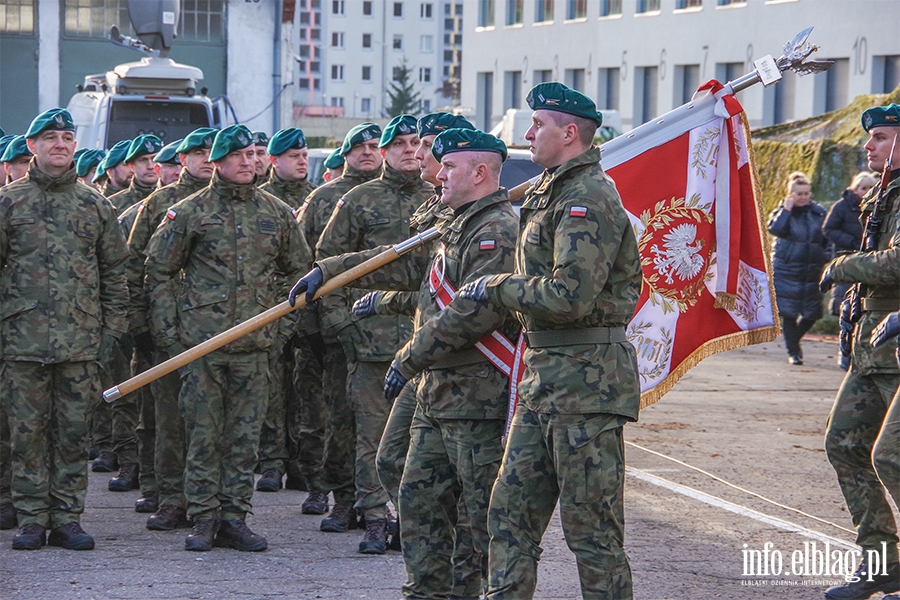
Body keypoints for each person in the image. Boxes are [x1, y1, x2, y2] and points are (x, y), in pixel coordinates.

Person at [456, 82, 642, 599]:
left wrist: (497, 286)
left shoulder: (589, 197)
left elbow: (569, 296)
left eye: (538, 124)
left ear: (570, 133)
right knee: (508, 519)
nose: (528, 133)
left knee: (593, 535)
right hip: (544, 382)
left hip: (586, 388)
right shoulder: (551, 189)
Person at [144, 124, 312, 552]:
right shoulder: (189, 212)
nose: (248, 162)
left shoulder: (275, 212)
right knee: (203, 432)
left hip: (255, 347)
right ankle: (202, 517)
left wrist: (280, 328)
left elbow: (300, 273)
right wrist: (169, 332)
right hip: (203, 345)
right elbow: (159, 271)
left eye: (254, 154)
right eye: (237, 156)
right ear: (216, 162)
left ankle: (235, 516)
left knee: (244, 436)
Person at [0, 108, 129, 551]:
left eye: (67, 137)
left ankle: (69, 517)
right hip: (20, 343)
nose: (60, 143)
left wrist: (109, 333)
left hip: (80, 343)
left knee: (74, 434)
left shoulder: (95, 203)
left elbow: (115, 274)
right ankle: (33, 517)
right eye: (50, 136)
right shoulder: (8, 202)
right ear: (32, 146)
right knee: (27, 434)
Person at [314, 114, 433, 554]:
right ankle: (374, 517)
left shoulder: (439, 197)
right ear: (384, 152)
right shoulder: (359, 199)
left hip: (426, 339)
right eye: (398, 142)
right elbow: (327, 264)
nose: (408, 149)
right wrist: (340, 325)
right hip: (372, 337)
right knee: (372, 436)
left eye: (414, 142)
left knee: (420, 437)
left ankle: (411, 516)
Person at [818, 104, 900, 600]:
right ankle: (882, 564)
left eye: (883, 138)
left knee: (893, 456)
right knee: (844, 445)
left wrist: (844, 265)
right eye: (870, 139)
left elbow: (896, 262)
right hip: (873, 345)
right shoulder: (883, 192)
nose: (869, 146)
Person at [124, 126, 217, 531]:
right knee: (169, 420)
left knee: (216, 422)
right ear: (183, 159)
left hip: (218, 332)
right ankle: (171, 498)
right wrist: (143, 327)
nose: (207, 158)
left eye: (214, 151)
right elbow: (134, 270)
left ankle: (212, 503)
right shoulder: (159, 204)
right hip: (169, 332)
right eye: (198, 152)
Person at [294, 122, 383, 521]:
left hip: (394, 327)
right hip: (339, 328)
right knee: (337, 418)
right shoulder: (326, 198)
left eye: (373, 146)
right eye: (359, 146)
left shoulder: (419, 196)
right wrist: (320, 326)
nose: (368, 152)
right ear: (345, 153)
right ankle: (335, 493)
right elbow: (309, 264)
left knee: (381, 426)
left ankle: (377, 503)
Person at [255, 127, 318, 492]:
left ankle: (301, 462)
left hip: (308, 310)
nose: (302, 162)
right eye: (294, 157)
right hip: (272, 309)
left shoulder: (316, 197)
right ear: (275, 161)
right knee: (273, 389)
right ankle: (271, 461)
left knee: (305, 393)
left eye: (305, 156)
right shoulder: (263, 201)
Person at [767, 172, 828, 365]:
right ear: (791, 194)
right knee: (789, 313)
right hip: (786, 269)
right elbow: (775, 230)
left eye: (806, 193)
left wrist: (826, 256)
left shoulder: (818, 212)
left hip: (811, 270)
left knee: (812, 314)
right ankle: (794, 352)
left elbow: (828, 236)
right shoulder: (782, 212)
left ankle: (793, 340)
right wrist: (787, 209)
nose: (803, 197)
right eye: (799, 193)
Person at [823, 172, 877, 370]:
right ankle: (844, 352)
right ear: (855, 189)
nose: (866, 192)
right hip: (848, 260)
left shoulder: (877, 205)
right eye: (863, 188)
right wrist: (852, 243)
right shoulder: (842, 206)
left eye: (870, 188)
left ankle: (857, 353)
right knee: (845, 306)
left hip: (869, 262)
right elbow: (828, 229)